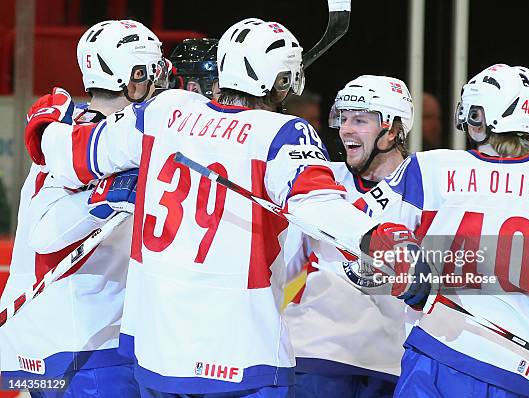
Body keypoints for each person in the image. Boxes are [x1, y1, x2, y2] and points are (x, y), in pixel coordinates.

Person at [23, 18, 411, 398]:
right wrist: (375, 236)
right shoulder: (282, 133)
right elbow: (318, 205)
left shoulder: (164, 111)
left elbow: (73, 154)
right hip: (241, 352)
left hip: (158, 351)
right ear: (280, 82)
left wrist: (45, 126)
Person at [355, 64, 529, 397]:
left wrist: (399, 256)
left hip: (440, 358)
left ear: (483, 115)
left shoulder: (429, 168)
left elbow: (358, 237)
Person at [0, 19, 166, 397]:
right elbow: (45, 233)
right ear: (134, 75)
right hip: (87, 346)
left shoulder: (69, 131)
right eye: (153, 69)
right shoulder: (89, 140)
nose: (159, 80)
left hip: (46, 347)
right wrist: (103, 199)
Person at [283, 75, 419, 398]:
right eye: (343, 119)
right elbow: (283, 264)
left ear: (393, 129)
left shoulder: (424, 183)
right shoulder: (321, 178)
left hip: (391, 365)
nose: (345, 129)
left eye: (360, 120)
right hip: (316, 356)